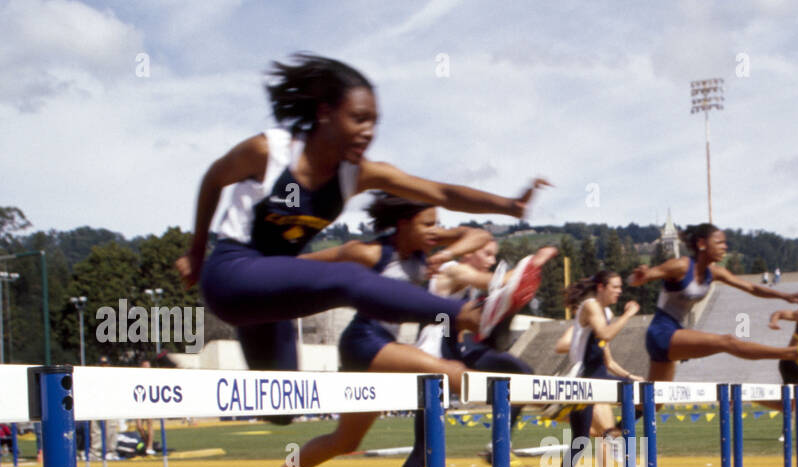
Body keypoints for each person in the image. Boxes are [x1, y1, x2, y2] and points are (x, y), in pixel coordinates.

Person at [174, 52, 549, 390]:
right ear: (325, 113)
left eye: (374, 122)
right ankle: (471, 315)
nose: (369, 131)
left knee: (284, 403)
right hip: (230, 275)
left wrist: (510, 205)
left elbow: (441, 192)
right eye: (358, 118)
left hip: (273, 292)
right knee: (350, 278)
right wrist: (196, 251)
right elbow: (212, 179)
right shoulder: (269, 152)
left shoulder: (358, 174)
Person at [245, 194, 530, 467]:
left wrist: (446, 251)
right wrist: (259, 272)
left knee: (344, 441)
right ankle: (534, 399)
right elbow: (309, 263)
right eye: (427, 224)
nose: (433, 231)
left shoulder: (426, 247)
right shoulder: (369, 253)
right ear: (403, 223)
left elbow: (479, 236)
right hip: (363, 342)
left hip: (381, 347)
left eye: (436, 224)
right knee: (446, 371)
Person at [381, 238, 554, 467]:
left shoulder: (469, 286)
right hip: (430, 365)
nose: (490, 261)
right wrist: (534, 263)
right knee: (424, 452)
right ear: (470, 251)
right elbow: (504, 282)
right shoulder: (452, 271)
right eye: (486, 254)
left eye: (494, 257)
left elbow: (494, 307)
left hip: (458, 357)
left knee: (521, 374)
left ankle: (498, 444)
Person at [628, 224, 798, 383]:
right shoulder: (681, 266)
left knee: (652, 404)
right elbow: (640, 279)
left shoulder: (715, 273)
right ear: (702, 244)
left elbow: (751, 288)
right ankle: (788, 353)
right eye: (719, 242)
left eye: (725, 243)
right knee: (727, 341)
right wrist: (638, 277)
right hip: (661, 332)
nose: (725, 247)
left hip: (676, 333)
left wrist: (785, 296)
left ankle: (619, 424)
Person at [547, 270, 643, 467]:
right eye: (615, 287)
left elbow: (607, 360)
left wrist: (629, 376)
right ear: (601, 287)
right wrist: (629, 314)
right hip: (584, 381)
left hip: (601, 378)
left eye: (621, 287)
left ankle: (612, 435)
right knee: (580, 440)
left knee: (646, 398)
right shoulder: (590, 306)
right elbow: (605, 334)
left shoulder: (607, 313)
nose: (620, 291)